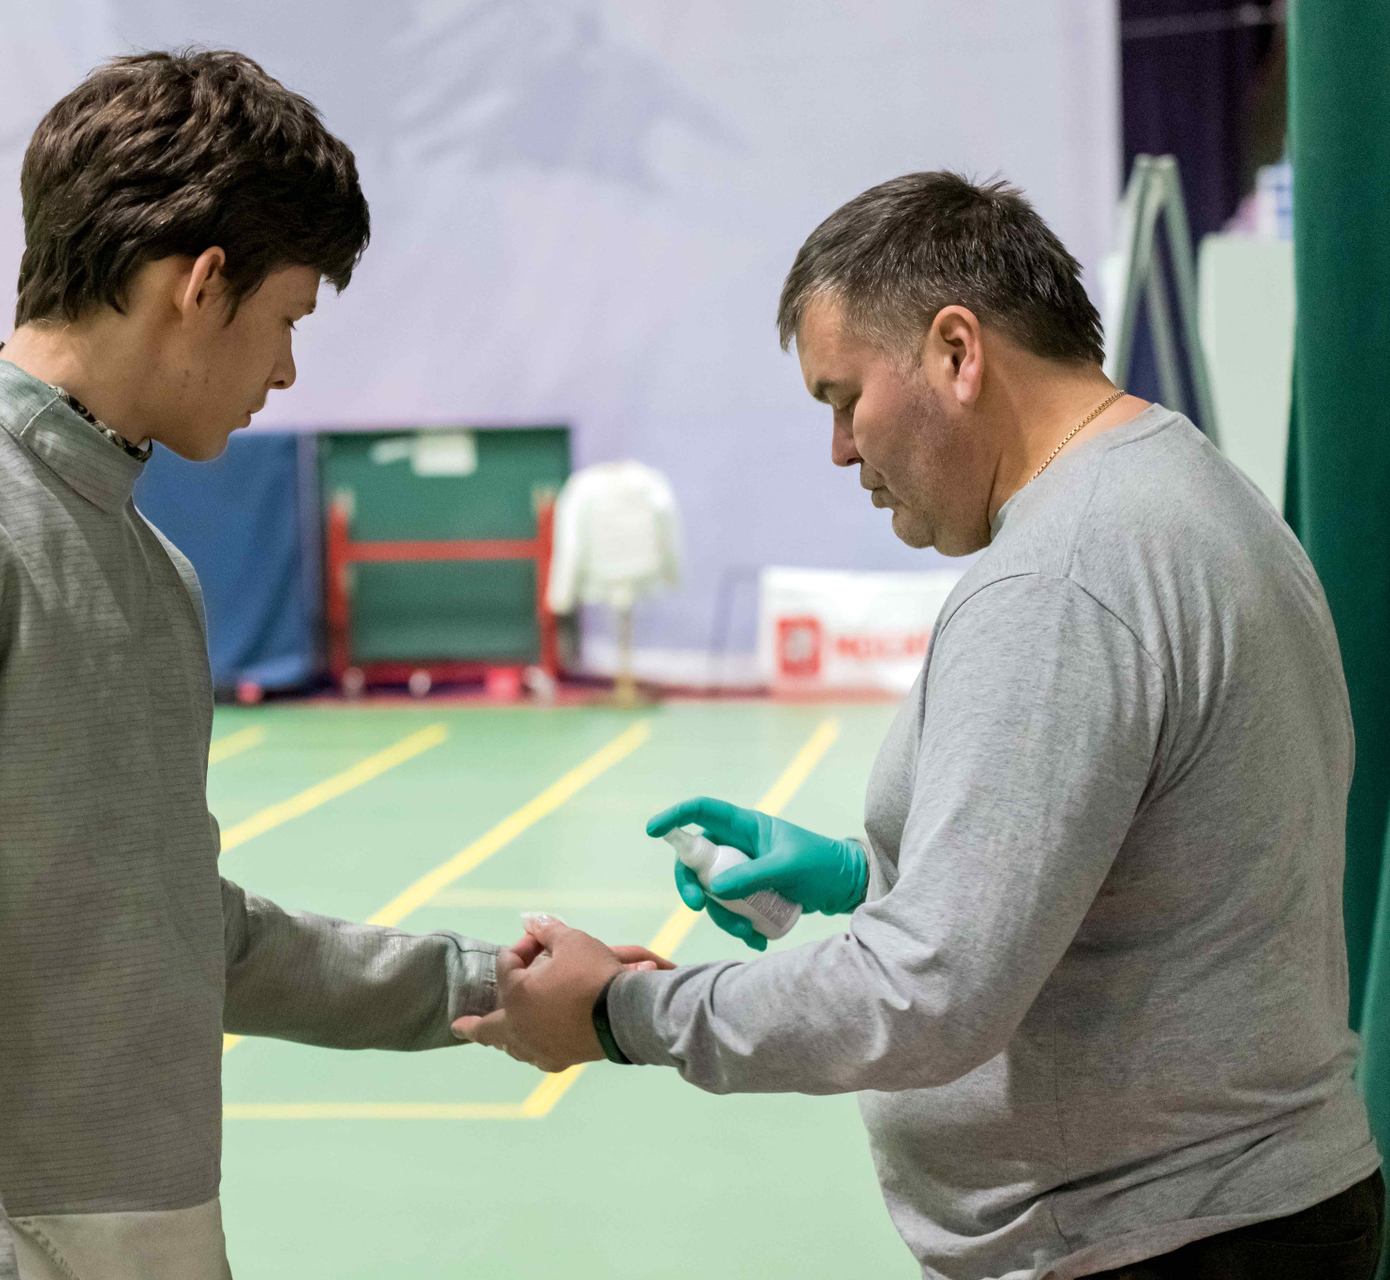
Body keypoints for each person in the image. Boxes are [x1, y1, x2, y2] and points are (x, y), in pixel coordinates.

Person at [0, 51, 663, 1280]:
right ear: (202, 284)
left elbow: (175, 933)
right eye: (289, 318)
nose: (287, 369)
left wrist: (480, 986)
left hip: (143, 1227)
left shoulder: (148, 565)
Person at [454, 172, 1383, 1279]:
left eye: (843, 398)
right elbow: (1146, 856)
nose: (841, 449)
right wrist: (866, 872)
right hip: (1245, 1211)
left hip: (1155, 1234)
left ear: (956, 351)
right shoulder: (1182, 489)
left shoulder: (1060, 579)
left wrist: (622, 1011)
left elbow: (928, 997)